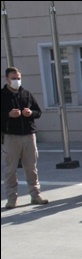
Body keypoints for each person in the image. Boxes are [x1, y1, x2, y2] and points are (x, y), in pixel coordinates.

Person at [1, 67, 49, 209]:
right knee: (11, 169)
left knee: (31, 167)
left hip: (28, 135)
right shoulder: (2, 95)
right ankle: (11, 198)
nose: (16, 81)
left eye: (18, 78)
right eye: (13, 78)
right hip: (11, 136)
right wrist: (8, 115)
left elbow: (38, 112)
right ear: (7, 79)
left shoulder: (26, 94)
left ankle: (35, 195)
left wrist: (30, 113)